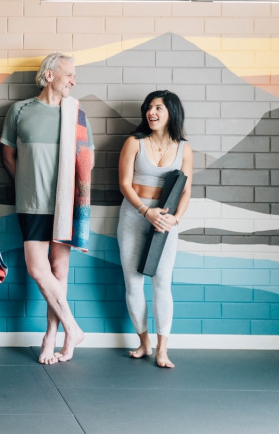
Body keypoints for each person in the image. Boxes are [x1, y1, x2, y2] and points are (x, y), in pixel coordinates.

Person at [0, 53, 89, 364]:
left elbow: (86, 159)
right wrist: (27, 183)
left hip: (65, 204)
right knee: (37, 269)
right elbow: (7, 155)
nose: (73, 81)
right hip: (31, 203)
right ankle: (72, 327)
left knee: (59, 270)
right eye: (69, 74)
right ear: (49, 75)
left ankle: (52, 336)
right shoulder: (20, 110)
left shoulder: (76, 113)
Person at [117, 90, 193, 369]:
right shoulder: (134, 142)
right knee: (133, 283)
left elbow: (186, 191)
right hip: (134, 216)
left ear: (172, 112)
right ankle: (144, 342)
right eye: (149, 107)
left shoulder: (184, 149)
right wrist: (145, 211)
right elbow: (124, 184)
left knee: (162, 282)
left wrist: (175, 219)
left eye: (158, 108)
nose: (151, 112)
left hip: (165, 222)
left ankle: (162, 349)